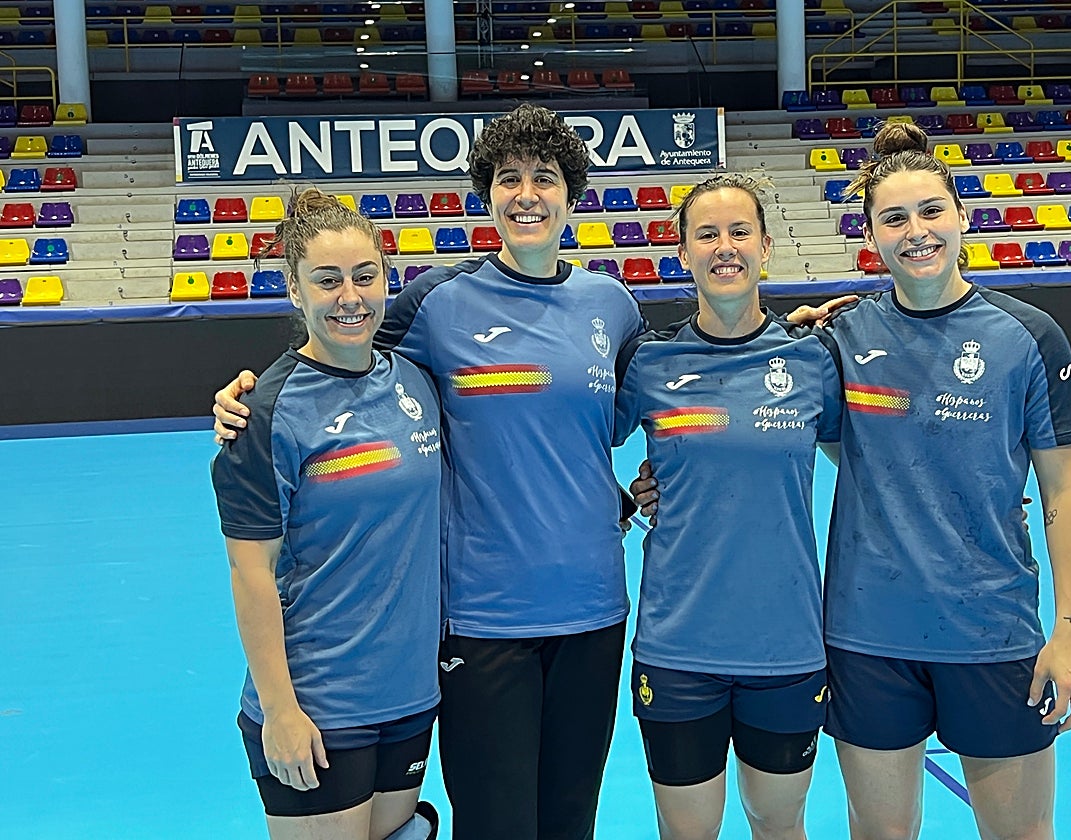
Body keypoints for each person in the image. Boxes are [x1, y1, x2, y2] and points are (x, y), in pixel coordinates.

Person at [636, 122, 1071, 840]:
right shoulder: (840, 340)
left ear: (962, 216)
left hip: (994, 631)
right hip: (865, 637)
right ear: (871, 236)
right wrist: (668, 478)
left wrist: (1068, 634)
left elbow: (1066, 496)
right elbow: (780, 411)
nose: (916, 232)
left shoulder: (1028, 336)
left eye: (930, 212)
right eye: (894, 219)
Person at [214, 103, 644, 840]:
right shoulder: (437, 303)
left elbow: (657, 404)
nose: (527, 194)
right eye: (509, 179)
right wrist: (244, 395)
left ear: (573, 196)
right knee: (496, 824)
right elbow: (336, 346)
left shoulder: (614, 305)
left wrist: (646, 487)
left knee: (572, 821)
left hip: (594, 610)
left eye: (545, 178)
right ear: (487, 196)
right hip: (480, 619)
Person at [613, 173, 842, 840]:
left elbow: (874, 461)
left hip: (787, 645)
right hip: (680, 647)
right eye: (706, 234)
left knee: (779, 826)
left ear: (765, 246)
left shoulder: (812, 358)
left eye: (739, 231)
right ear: (683, 253)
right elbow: (569, 444)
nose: (725, 246)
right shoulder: (651, 363)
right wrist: (627, 498)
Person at [210, 188, 441, 840]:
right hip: (317, 705)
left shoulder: (414, 379)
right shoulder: (263, 413)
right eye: (328, 279)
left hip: (408, 699)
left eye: (366, 277)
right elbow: (251, 573)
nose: (350, 296)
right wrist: (280, 710)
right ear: (293, 289)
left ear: (387, 280)